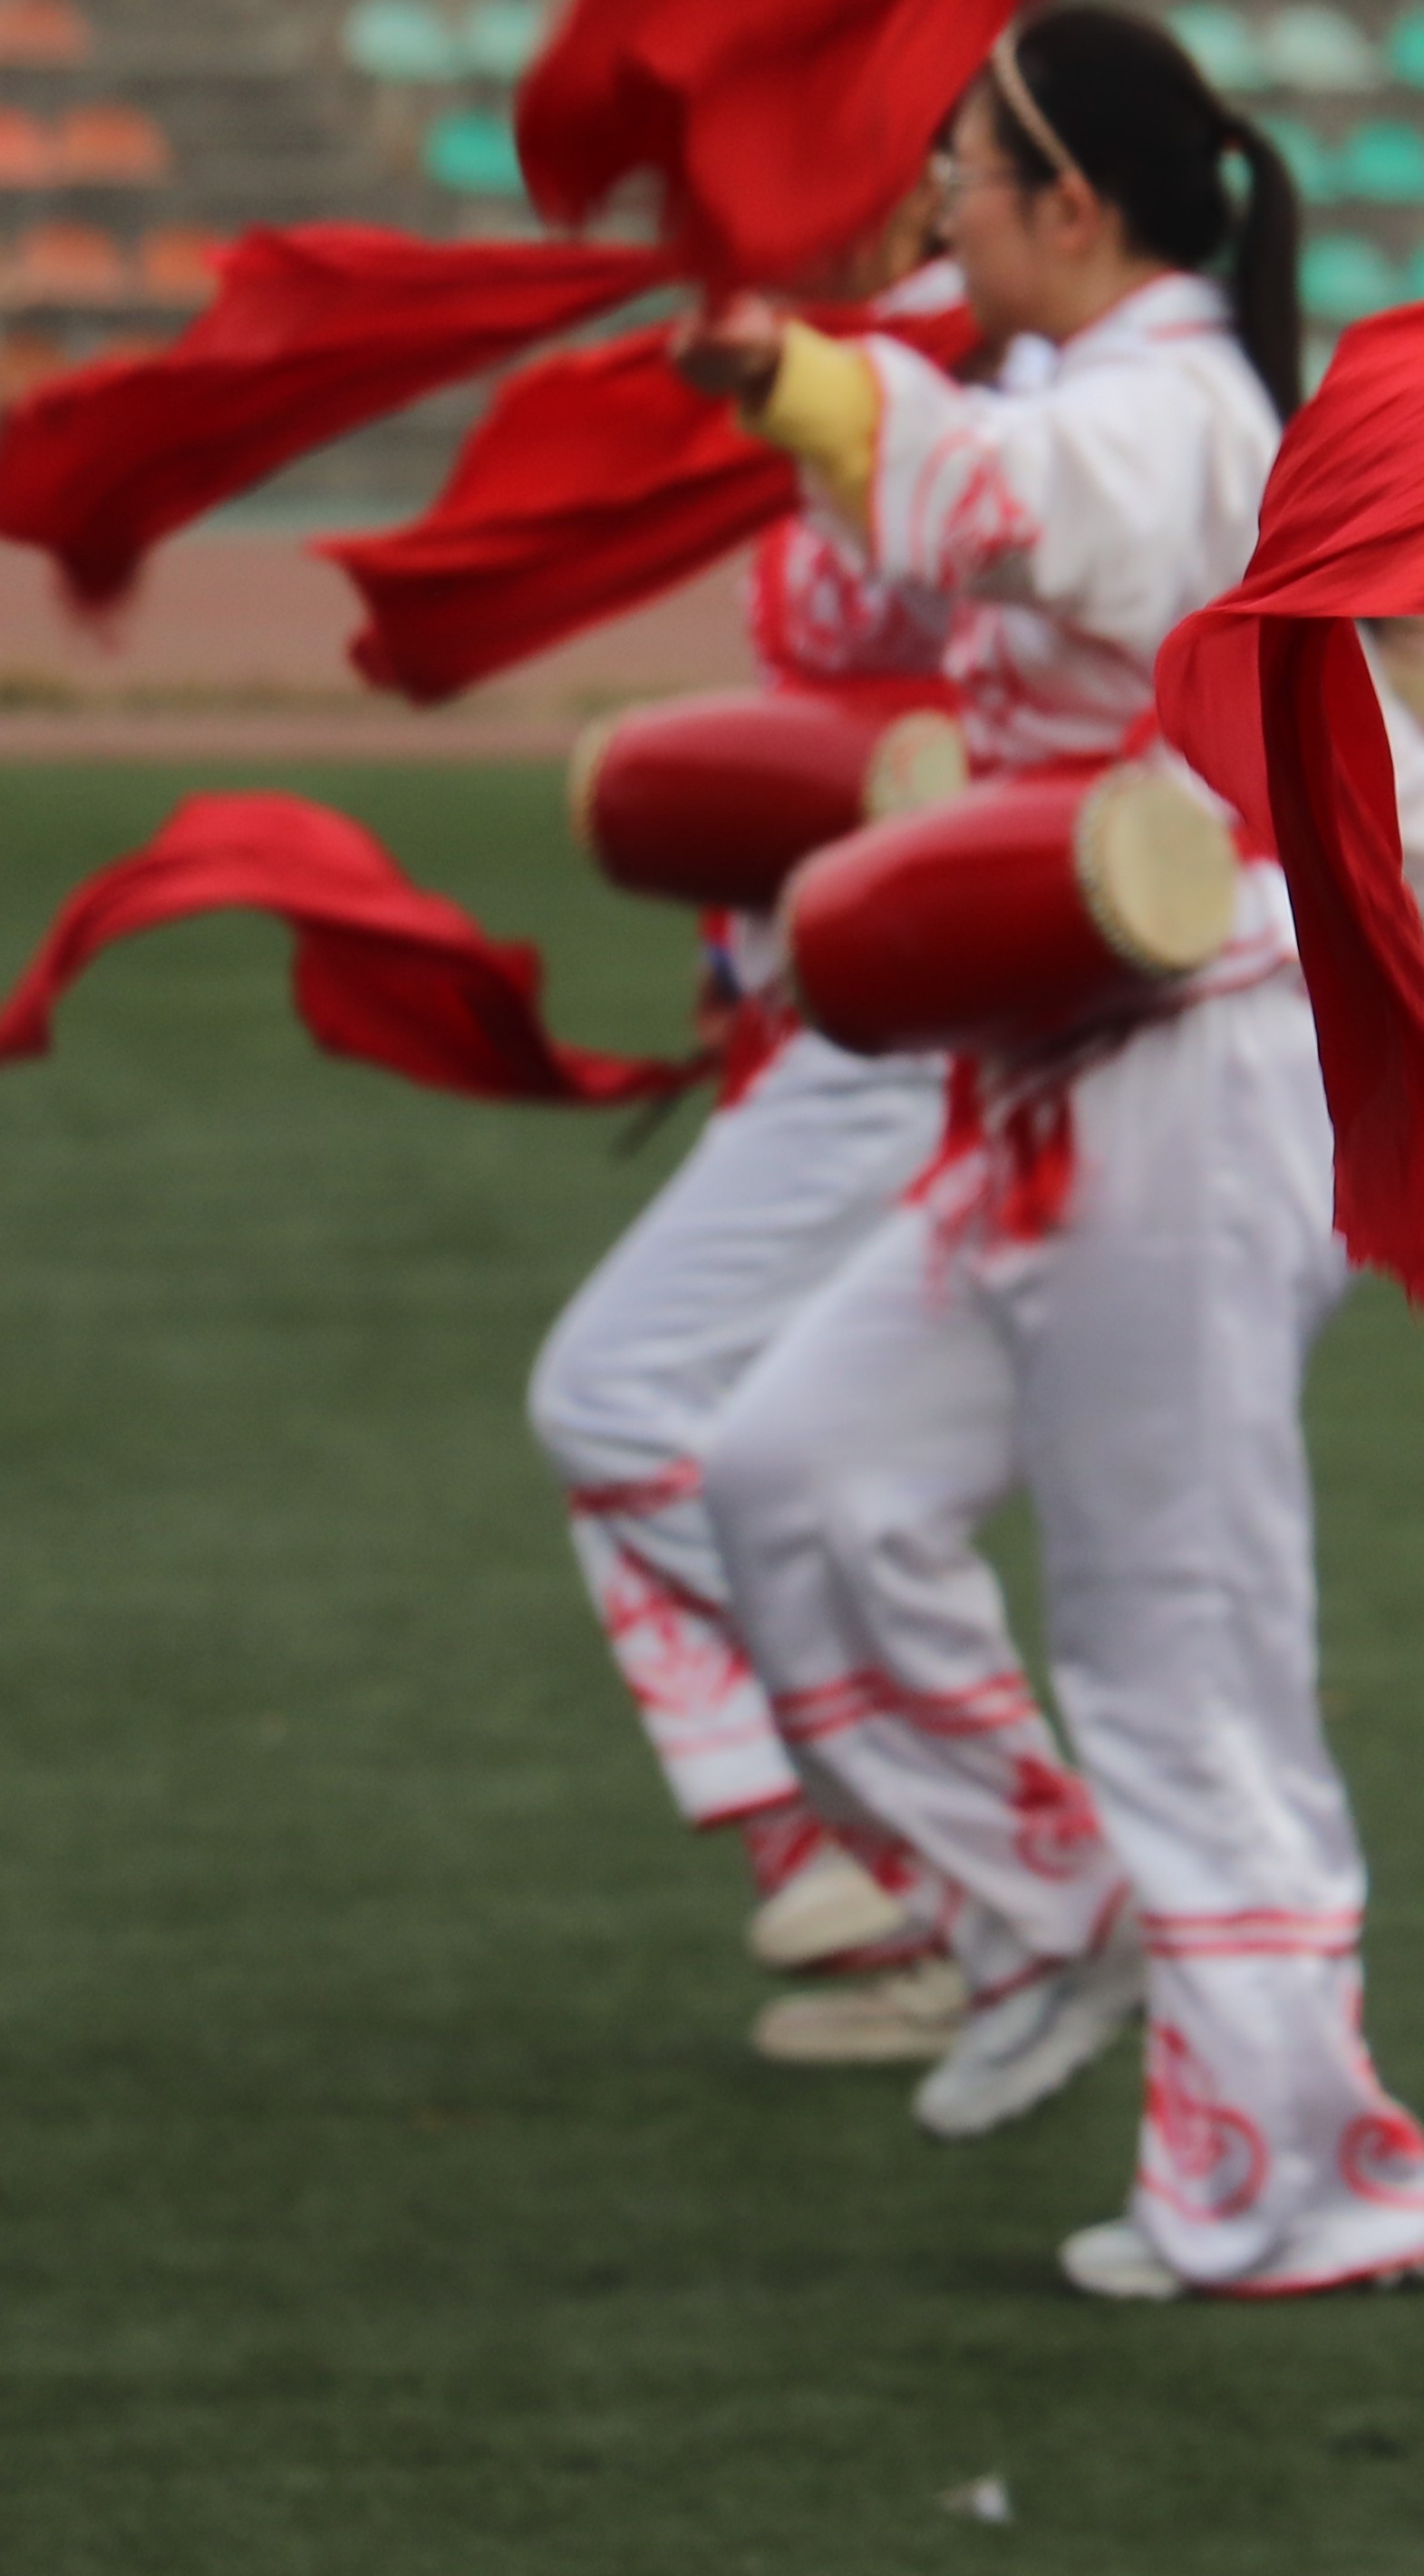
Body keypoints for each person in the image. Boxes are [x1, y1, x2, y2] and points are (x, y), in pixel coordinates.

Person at [673, 3, 1424, 2302]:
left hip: (1190, 1091)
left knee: (1181, 1649)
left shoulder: (1169, 410)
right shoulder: (1105, 387)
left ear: (1070, 202)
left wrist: (808, 379)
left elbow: (1000, 506)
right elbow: (1352, 754)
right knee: (792, 1475)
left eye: (967, 168)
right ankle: (1054, 1906)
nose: (938, 204)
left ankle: (1308, 2176)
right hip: (1065, 1089)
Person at [526, 246, 975, 2067]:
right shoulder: (870, 349)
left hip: (923, 1012)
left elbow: (987, 692)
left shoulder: (972, 357)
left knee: (622, 1397)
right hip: (861, 1003)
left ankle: (911, 1845)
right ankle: (918, 1889)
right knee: (807, 1473)